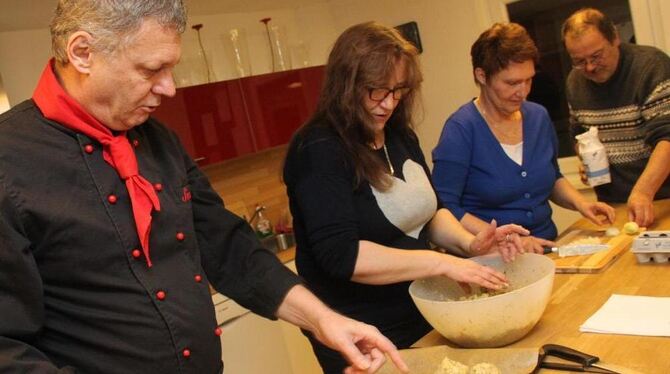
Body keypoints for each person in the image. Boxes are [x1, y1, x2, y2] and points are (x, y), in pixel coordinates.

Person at [0, 1, 409, 373]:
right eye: (150, 70)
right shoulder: (10, 161)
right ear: (82, 52)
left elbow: (230, 248)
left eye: (171, 69)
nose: (169, 88)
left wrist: (325, 321)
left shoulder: (159, 141)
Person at [283, 21, 530, 374]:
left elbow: (430, 212)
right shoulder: (319, 148)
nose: (388, 103)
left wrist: (470, 244)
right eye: (376, 91)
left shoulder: (398, 135)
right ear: (346, 85)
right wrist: (441, 263)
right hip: (359, 329)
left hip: (420, 310)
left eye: (398, 90)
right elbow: (342, 256)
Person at [431, 23, 614, 253]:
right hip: (493, 262)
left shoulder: (538, 117)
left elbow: (552, 178)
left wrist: (582, 204)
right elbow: (444, 206)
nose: (523, 91)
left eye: (528, 80)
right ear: (482, 76)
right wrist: (501, 238)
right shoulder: (461, 129)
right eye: (511, 83)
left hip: (546, 250)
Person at [562, 8, 670, 227]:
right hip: (613, 204)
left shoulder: (651, 67)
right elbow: (579, 135)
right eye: (579, 61)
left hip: (663, 198)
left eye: (596, 56)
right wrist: (585, 160)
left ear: (615, 38)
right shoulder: (575, 82)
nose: (590, 67)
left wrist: (642, 192)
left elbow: (667, 138)